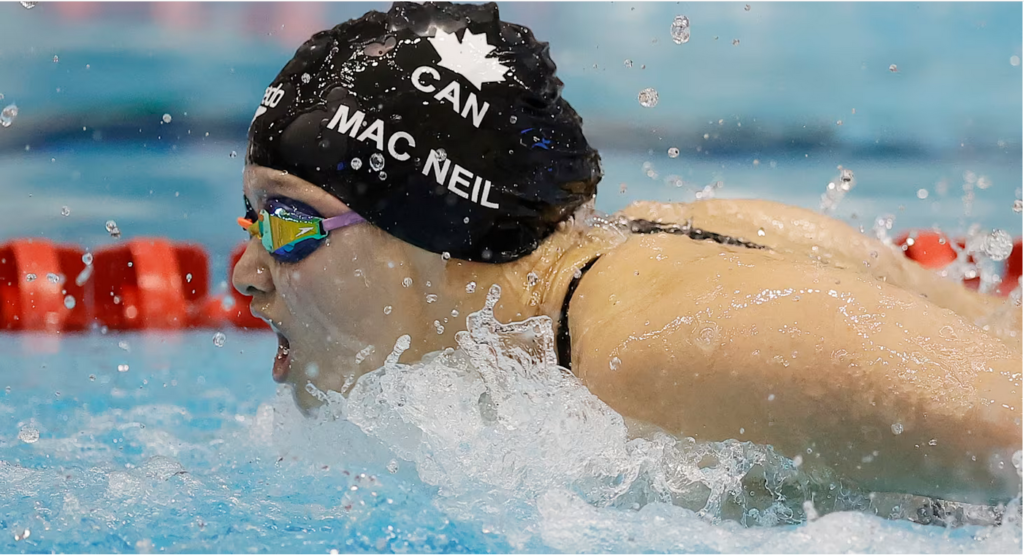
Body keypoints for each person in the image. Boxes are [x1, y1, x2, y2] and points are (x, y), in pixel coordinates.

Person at [232, 2, 1022, 505]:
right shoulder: (638, 257)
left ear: (437, 227)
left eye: (291, 223)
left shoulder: (667, 343)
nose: (245, 274)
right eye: (250, 221)